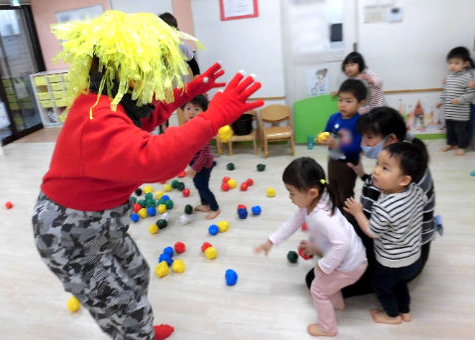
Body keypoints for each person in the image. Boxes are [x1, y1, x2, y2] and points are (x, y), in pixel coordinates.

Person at [31, 11, 264, 340]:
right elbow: (155, 160)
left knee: (136, 273)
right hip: (69, 235)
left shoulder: (113, 104)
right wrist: (212, 118)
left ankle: (136, 330)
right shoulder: (96, 116)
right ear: (129, 72)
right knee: (130, 311)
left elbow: (149, 114)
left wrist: (191, 91)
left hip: (100, 222)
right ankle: (136, 331)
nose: (162, 78)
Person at [305, 107, 437, 299]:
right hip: (391, 240)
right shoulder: (403, 154)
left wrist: (333, 246)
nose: (363, 144)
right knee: (332, 242)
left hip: (399, 260)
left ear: (391, 139)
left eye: (369, 139)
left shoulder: (404, 178)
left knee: (315, 281)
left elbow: (370, 228)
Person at [255, 158, 367, 337]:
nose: (289, 197)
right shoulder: (314, 201)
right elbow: (291, 224)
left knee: (318, 289)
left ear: (312, 192)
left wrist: (325, 265)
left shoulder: (321, 216)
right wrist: (271, 241)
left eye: (291, 192)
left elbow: (342, 243)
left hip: (350, 264)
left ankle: (327, 328)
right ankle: (338, 305)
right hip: (352, 259)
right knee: (327, 282)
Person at [345, 142, 428, 324]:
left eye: (385, 168)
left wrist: (358, 212)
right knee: (400, 284)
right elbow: (421, 202)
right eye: (377, 164)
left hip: (391, 261)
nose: (376, 171)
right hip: (413, 257)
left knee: (382, 286)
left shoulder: (386, 206)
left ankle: (392, 315)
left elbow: (372, 231)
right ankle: (405, 311)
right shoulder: (416, 190)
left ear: (404, 180)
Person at [317, 79, 365, 212]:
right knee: (333, 189)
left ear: (361, 103)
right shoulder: (334, 117)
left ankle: (348, 219)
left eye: (349, 101)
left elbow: (356, 149)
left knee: (346, 194)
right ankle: (335, 213)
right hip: (332, 160)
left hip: (348, 165)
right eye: (340, 100)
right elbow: (327, 132)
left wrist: (336, 144)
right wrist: (322, 136)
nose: (343, 105)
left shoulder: (359, 122)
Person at [182, 95, 220, 219]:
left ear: (204, 112)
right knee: (198, 184)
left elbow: (204, 154)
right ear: (183, 111)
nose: (192, 112)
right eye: (188, 108)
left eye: (197, 109)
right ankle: (205, 204)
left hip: (204, 164)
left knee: (203, 187)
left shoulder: (202, 128)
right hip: (194, 162)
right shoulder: (186, 125)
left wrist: (194, 169)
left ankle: (215, 208)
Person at [437, 46, 475, 155]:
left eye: (456, 63)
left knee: (460, 131)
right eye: (450, 63)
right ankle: (450, 143)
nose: (452, 66)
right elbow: (445, 91)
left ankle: (461, 146)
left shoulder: (467, 77)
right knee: (450, 130)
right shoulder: (449, 77)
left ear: (465, 64)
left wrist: (460, 100)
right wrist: (441, 101)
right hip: (449, 111)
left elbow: (471, 93)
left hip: (461, 112)